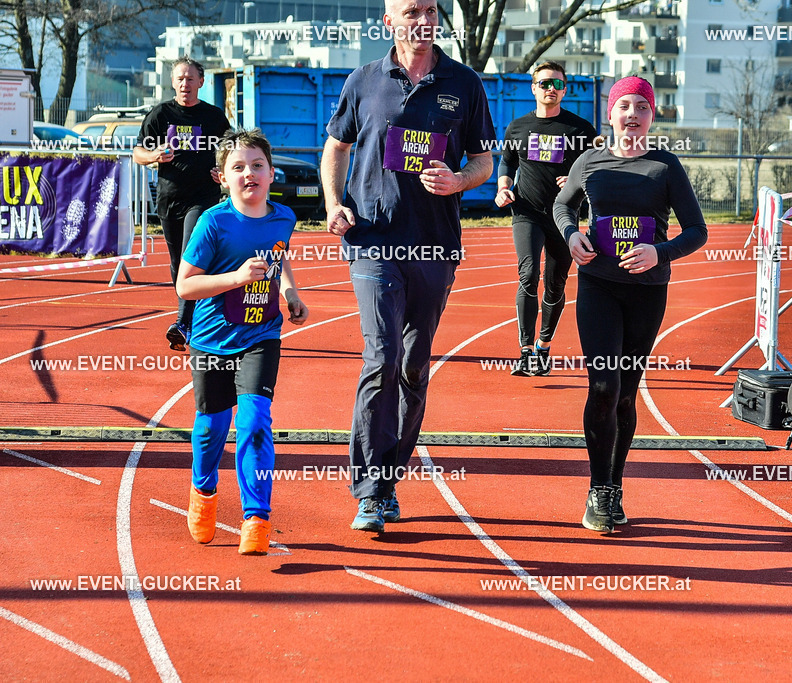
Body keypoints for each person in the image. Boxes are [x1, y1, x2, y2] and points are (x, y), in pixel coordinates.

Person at [321, 0, 495, 532]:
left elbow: (485, 161)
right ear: (389, 22)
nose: (423, 19)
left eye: (431, 10)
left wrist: (459, 180)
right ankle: (369, 489)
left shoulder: (463, 84)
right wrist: (333, 204)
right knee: (382, 355)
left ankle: (390, 477)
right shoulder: (364, 81)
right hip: (374, 243)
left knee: (414, 366)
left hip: (435, 246)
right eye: (411, 10)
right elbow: (335, 147)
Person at [552, 77, 708, 532]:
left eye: (642, 106)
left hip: (647, 290)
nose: (632, 113)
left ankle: (614, 485)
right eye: (624, 105)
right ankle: (598, 488)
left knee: (625, 391)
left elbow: (697, 231)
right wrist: (572, 233)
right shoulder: (590, 161)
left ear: (651, 115)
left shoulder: (665, 167)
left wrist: (660, 252)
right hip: (598, 284)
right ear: (611, 113)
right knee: (602, 385)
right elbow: (563, 207)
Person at [176, 129, 309, 555]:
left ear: (272, 173)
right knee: (212, 429)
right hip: (213, 340)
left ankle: (257, 518)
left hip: (262, 334)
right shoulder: (212, 223)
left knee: (254, 422)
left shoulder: (283, 217)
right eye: (238, 167)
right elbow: (185, 286)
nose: (248, 174)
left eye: (257, 166)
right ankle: (204, 494)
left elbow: (278, 254)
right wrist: (235, 278)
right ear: (221, 177)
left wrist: (290, 293)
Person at [494, 61, 597, 377]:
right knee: (528, 275)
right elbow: (507, 164)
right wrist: (503, 188)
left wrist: (576, 179)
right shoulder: (518, 127)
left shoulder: (580, 130)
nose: (550, 88)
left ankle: (543, 346)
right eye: (544, 83)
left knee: (555, 284)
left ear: (564, 89)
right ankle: (525, 351)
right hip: (526, 212)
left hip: (564, 217)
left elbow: (598, 169)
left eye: (556, 83)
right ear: (533, 88)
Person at [134, 56, 231, 352]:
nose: (184, 84)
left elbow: (232, 151)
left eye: (190, 79)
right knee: (178, 264)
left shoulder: (214, 117)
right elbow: (137, 152)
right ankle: (196, 316)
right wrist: (154, 156)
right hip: (169, 197)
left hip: (202, 198)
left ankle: (182, 323)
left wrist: (223, 172)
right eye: (179, 78)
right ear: (172, 82)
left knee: (192, 249)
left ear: (201, 82)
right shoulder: (161, 114)